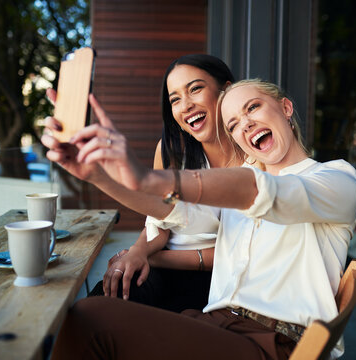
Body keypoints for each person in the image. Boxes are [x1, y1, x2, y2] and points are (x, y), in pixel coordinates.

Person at [43, 79, 356, 359]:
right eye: (234, 124)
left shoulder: (335, 178)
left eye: (254, 108)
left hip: (272, 345)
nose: (246, 125)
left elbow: (261, 191)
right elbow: (174, 212)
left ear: (286, 108)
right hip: (214, 327)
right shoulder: (240, 190)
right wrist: (98, 176)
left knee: (92, 318)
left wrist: (148, 177)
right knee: (96, 318)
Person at [48, 54, 243, 312]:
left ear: (226, 90)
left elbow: (233, 256)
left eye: (195, 89)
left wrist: (152, 257)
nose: (185, 106)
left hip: (218, 282)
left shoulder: (256, 163)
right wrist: (138, 252)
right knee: (97, 306)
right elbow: (161, 216)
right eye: (175, 100)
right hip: (161, 269)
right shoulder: (172, 151)